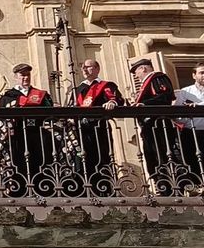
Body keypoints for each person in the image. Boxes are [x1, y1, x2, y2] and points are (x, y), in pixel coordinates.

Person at [0, 62, 53, 192]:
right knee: (19, 164)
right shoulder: (8, 96)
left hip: (37, 134)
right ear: (15, 77)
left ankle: (43, 191)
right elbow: (2, 117)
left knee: (40, 162)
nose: (26, 78)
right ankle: (20, 192)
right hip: (17, 135)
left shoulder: (40, 94)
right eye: (22, 75)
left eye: (28, 75)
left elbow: (50, 112)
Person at [129, 59, 178, 194]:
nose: (136, 75)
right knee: (152, 158)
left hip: (158, 125)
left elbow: (165, 96)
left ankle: (170, 188)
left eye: (136, 72)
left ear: (143, 69)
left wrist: (145, 104)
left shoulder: (158, 78)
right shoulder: (146, 83)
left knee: (163, 155)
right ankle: (161, 186)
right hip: (149, 127)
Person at [74, 60, 122, 192]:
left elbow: (117, 99)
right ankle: (86, 191)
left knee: (102, 158)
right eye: (83, 67)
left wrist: (112, 102)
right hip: (82, 130)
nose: (84, 69)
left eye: (88, 67)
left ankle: (104, 190)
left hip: (99, 127)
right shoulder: (78, 89)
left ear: (97, 69)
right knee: (83, 160)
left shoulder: (106, 85)